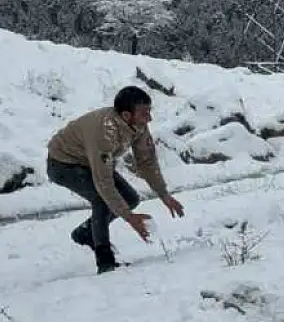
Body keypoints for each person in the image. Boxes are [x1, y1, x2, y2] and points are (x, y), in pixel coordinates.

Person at [46, 85, 184, 274]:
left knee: (131, 199)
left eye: (149, 111)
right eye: (145, 113)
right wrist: (129, 218)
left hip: (89, 159)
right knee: (102, 200)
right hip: (63, 164)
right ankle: (105, 263)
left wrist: (164, 195)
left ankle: (86, 233)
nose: (149, 118)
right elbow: (104, 184)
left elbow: (147, 162)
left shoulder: (139, 125)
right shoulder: (105, 132)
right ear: (127, 115)